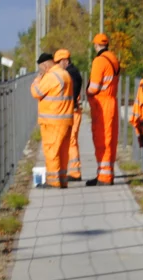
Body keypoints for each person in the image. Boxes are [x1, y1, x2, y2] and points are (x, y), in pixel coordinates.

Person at [30, 52, 74, 189]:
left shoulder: (51, 76)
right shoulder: (65, 74)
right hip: (66, 119)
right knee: (62, 152)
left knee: (51, 151)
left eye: (41, 68)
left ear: (44, 65)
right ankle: (62, 179)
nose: (41, 71)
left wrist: (37, 79)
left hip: (52, 121)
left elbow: (36, 92)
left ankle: (53, 182)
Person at [85, 33, 121, 186]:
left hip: (102, 104)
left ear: (96, 45)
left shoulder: (99, 61)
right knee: (110, 139)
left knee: (102, 139)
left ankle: (104, 176)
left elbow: (94, 87)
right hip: (112, 101)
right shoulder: (114, 59)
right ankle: (106, 173)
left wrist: (87, 92)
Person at [58, 51, 84, 182]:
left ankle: (75, 172)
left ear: (65, 61)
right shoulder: (72, 72)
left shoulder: (71, 73)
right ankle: (73, 170)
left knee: (72, 140)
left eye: (59, 62)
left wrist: (71, 102)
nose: (57, 65)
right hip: (73, 111)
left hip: (73, 111)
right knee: (70, 140)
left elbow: (72, 92)